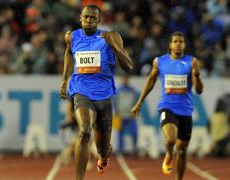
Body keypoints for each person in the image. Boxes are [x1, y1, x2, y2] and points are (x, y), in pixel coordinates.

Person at [59, 4, 133, 180]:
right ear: (80, 18)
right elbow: (69, 54)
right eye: (86, 17)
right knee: (84, 131)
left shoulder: (111, 36)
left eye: (93, 18)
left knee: (103, 148)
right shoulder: (72, 37)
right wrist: (64, 80)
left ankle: (104, 155)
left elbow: (128, 66)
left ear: (99, 20)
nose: (89, 20)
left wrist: (113, 46)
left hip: (104, 94)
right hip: (81, 90)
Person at [131, 32, 203, 180]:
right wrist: (139, 102)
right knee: (170, 140)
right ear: (170, 45)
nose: (178, 44)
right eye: (175, 41)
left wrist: (196, 75)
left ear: (184, 45)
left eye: (181, 41)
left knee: (182, 150)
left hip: (185, 110)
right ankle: (169, 154)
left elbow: (199, 90)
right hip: (167, 106)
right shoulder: (160, 62)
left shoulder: (192, 62)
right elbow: (150, 81)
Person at [113, 74, 138, 154]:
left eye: (126, 79)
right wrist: (116, 111)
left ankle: (135, 148)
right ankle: (120, 150)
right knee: (120, 133)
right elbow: (115, 102)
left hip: (130, 115)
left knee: (134, 132)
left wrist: (134, 111)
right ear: (122, 80)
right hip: (121, 115)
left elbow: (135, 102)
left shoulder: (132, 90)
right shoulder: (118, 90)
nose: (125, 81)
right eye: (124, 79)